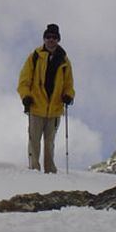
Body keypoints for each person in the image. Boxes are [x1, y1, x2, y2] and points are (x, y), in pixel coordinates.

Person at [17, 24, 75, 173]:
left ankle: (50, 171)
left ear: (58, 40)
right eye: (48, 37)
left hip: (54, 109)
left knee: (49, 143)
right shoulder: (35, 56)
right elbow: (24, 81)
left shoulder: (64, 61)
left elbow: (69, 84)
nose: (51, 40)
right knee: (34, 141)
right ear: (44, 38)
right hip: (36, 106)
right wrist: (26, 97)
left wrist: (69, 95)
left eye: (54, 37)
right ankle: (34, 169)